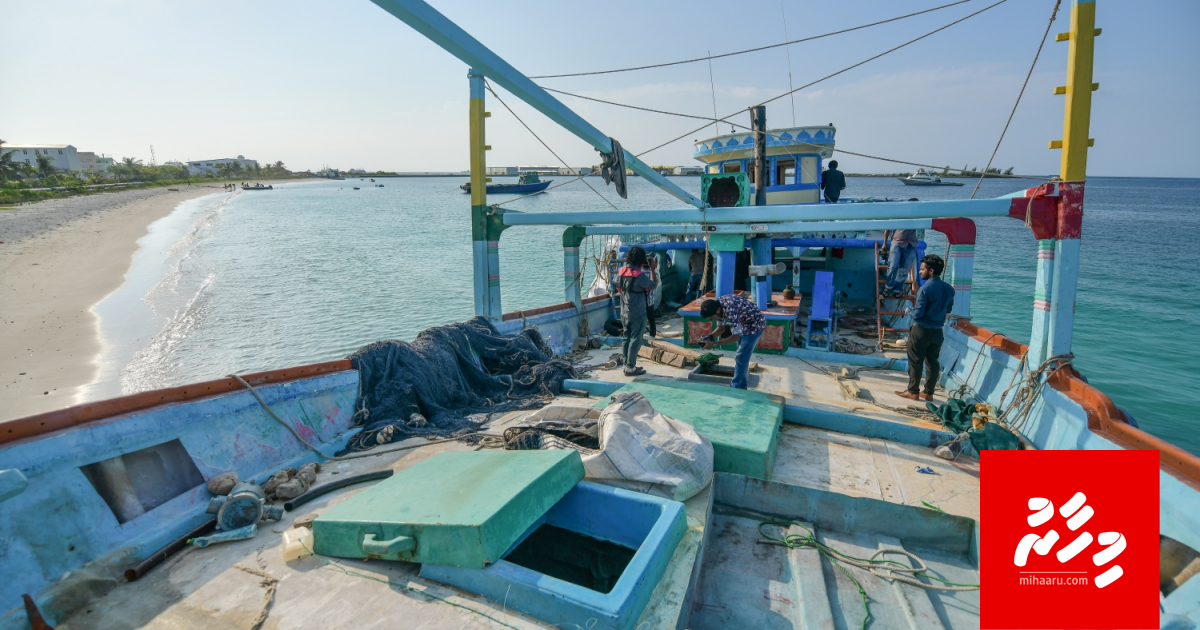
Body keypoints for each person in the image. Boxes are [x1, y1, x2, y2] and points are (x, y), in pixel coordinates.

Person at [896, 254, 955, 402]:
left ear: (932, 271)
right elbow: (948, 310)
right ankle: (928, 393)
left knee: (915, 361)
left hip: (921, 331)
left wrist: (909, 311)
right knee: (933, 362)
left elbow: (919, 313)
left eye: (922, 269)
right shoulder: (949, 289)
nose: (920, 272)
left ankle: (913, 391)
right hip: (937, 333)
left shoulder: (924, 289)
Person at [699, 293, 765, 389]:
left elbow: (735, 337)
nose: (713, 320)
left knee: (740, 358)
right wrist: (709, 338)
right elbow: (721, 328)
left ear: (717, 311)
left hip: (755, 327)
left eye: (712, 318)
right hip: (743, 326)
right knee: (742, 359)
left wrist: (714, 344)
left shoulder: (731, 309)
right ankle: (742, 387)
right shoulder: (718, 305)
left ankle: (735, 388)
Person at [617, 245, 659, 377]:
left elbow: (618, 288)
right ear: (641, 260)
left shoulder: (621, 271)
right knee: (635, 339)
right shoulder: (639, 275)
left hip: (624, 312)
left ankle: (626, 364)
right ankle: (630, 367)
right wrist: (652, 268)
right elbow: (653, 285)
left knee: (626, 338)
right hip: (637, 313)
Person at [885, 229, 919, 296]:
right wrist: (884, 243)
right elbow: (888, 228)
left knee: (904, 269)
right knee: (892, 266)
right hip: (897, 243)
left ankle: (897, 289)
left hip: (911, 244)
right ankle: (888, 287)